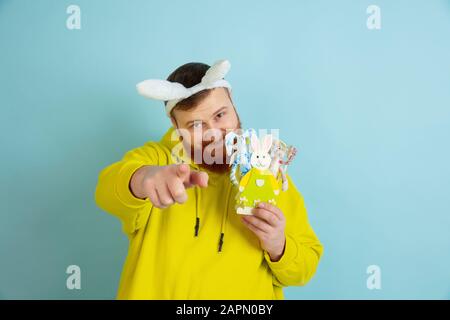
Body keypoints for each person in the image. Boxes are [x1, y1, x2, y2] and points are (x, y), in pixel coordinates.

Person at [95, 60, 323, 299]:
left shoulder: (268, 173)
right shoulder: (157, 159)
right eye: (195, 125)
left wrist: (279, 247)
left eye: (220, 114)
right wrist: (143, 179)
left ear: (232, 101)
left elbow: (305, 268)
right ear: (175, 124)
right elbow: (106, 191)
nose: (214, 133)